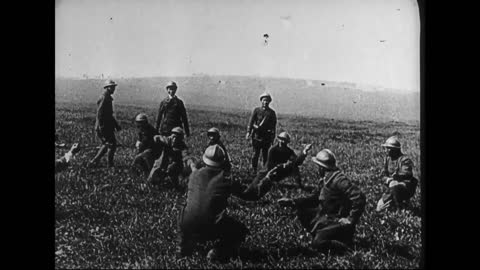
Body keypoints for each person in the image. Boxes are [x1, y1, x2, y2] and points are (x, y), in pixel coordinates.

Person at [177, 145, 279, 262]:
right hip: (210, 225)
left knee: (186, 213)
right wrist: (268, 179)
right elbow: (252, 194)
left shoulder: (194, 175)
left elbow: (193, 174)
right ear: (223, 162)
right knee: (240, 230)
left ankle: (184, 245)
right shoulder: (227, 179)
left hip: (186, 223)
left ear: (204, 160)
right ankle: (217, 252)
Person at [277, 149, 366, 254]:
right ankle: (323, 234)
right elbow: (315, 198)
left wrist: (351, 219)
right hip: (327, 217)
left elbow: (359, 197)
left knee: (317, 244)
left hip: (337, 222)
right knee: (302, 212)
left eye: (318, 166)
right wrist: (293, 202)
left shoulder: (338, 180)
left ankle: (345, 246)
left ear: (322, 168)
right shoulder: (326, 178)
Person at [376, 136, 418, 211]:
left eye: (388, 148)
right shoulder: (387, 159)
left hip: (405, 187)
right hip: (391, 186)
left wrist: (394, 179)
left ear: (395, 150)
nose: (386, 150)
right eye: (386, 148)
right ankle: (396, 205)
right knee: (379, 207)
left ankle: (400, 209)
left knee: (394, 187)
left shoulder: (404, 160)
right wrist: (389, 180)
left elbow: (406, 174)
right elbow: (383, 175)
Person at [89, 79, 121, 168]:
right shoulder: (104, 98)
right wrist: (100, 127)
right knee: (112, 144)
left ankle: (94, 161)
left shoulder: (107, 97)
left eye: (114, 87)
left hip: (106, 126)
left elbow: (109, 115)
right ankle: (109, 164)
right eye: (112, 87)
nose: (114, 89)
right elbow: (100, 114)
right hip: (104, 126)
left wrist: (116, 125)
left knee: (107, 144)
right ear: (107, 88)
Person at [246, 92, 277, 173]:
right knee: (255, 154)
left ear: (269, 102)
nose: (265, 102)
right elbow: (251, 121)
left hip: (266, 137)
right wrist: (248, 132)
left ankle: (264, 171)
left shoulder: (271, 113)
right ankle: (254, 170)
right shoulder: (256, 110)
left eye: (267, 100)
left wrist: (272, 138)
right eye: (264, 100)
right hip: (256, 136)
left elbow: (273, 126)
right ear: (261, 101)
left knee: (265, 155)